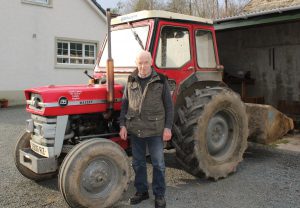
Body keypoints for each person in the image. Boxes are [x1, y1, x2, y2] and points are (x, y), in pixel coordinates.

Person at [119, 50, 174, 208]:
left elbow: (169, 107)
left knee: (158, 164)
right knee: (138, 163)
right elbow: (125, 104)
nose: (143, 66)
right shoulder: (131, 80)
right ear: (136, 63)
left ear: (151, 62)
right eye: (140, 63)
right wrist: (122, 124)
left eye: (146, 62)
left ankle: (159, 194)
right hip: (136, 130)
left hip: (155, 129)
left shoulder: (161, 80)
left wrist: (168, 128)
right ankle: (142, 191)